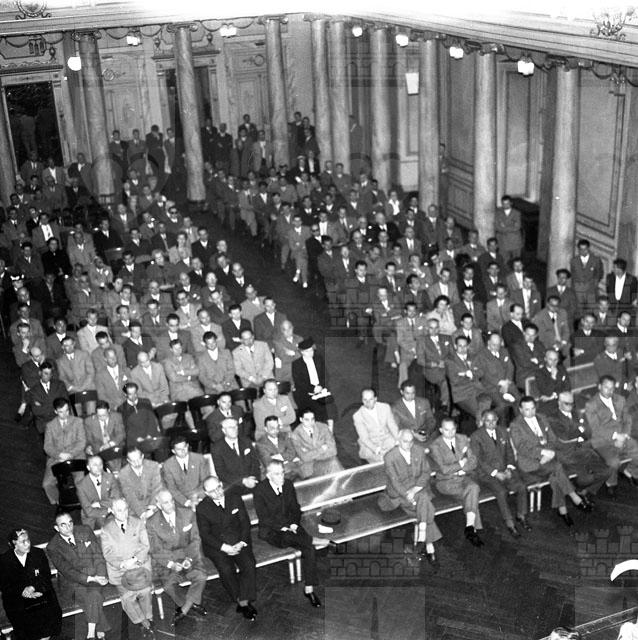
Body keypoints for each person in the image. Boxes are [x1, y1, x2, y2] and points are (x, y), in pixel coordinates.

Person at [510, 396, 590, 526]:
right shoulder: (515, 425)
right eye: (527, 409)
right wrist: (542, 453)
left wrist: (549, 453)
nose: (530, 412)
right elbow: (521, 447)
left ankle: (563, 511)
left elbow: (552, 439)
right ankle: (574, 497)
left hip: (548, 460)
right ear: (520, 410)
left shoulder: (542, 418)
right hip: (530, 464)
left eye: (532, 408)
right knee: (557, 467)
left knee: (555, 477)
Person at [253, 460, 322, 606]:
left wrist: (294, 523)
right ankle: (321, 541)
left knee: (309, 548)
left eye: (282, 473)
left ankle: (309, 588)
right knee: (291, 537)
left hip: (292, 526)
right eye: (277, 474)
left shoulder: (288, 484)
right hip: (273, 531)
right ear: (268, 475)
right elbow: (265, 518)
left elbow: (295, 508)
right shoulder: (260, 490)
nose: (281, 477)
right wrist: (285, 527)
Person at [196, 475, 258, 621]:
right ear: (206, 493)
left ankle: (243, 600)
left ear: (221, 485)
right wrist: (225, 548)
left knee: (249, 564)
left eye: (218, 488)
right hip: (217, 545)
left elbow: (245, 522)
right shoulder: (202, 508)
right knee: (226, 569)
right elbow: (205, 534)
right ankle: (241, 601)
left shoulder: (234, 498)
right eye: (212, 491)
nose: (217, 493)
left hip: (238, 540)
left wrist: (242, 542)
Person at [378, 429, 442, 563]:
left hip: (417, 488)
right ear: (398, 441)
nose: (408, 445)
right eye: (405, 441)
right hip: (400, 494)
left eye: (411, 441)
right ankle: (427, 544)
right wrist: (408, 494)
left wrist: (415, 489)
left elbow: (426, 472)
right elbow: (394, 481)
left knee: (421, 500)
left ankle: (422, 540)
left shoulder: (419, 450)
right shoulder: (390, 457)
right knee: (424, 504)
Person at [146, 490, 208, 626]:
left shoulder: (188, 514)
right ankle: (191, 604)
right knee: (168, 585)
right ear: (159, 505)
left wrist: (189, 559)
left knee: (201, 576)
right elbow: (156, 550)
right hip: (167, 561)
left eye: (172, 501)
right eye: (166, 503)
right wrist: (172, 564)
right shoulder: (151, 523)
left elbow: (195, 540)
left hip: (188, 557)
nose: (171, 505)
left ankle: (184, 610)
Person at [46, 510, 110, 639]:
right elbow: (67, 571)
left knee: (92, 595)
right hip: (73, 582)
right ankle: (98, 628)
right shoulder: (53, 547)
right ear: (56, 528)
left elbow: (98, 556)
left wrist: (101, 575)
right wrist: (91, 579)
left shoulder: (85, 530)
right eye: (63, 525)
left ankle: (90, 634)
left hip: (95, 575)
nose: (68, 527)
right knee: (93, 596)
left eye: (70, 522)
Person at [100, 498, 155, 637]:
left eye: (125, 509)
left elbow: (145, 545)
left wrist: (134, 560)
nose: (123, 513)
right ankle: (142, 622)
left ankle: (148, 617)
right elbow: (108, 554)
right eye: (119, 510)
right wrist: (123, 564)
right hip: (120, 571)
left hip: (138, 566)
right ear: (112, 511)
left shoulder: (137, 523)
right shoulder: (106, 530)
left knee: (145, 591)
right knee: (128, 597)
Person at [470, 410, 529, 537]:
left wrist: (509, 468)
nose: (491, 423)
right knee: (502, 492)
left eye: (493, 420)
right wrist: (495, 473)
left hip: (505, 470)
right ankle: (509, 523)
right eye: (487, 421)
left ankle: (521, 515)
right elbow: (478, 460)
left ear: (497, 419)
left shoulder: (503, 431)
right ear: (482, 421)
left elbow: (509, 451)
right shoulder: (476, 436)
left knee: (521, 487)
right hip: (487, 474)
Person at [429, 418, 484, 547]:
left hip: (463, 478)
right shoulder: (435, 446)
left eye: (453, 429)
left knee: (473, 487)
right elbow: (444, 469)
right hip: (446, 482)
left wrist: (461, 470)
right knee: (471, 494)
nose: (450, 433)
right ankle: (472, 530)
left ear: (456, 428)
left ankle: (470, 527)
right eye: (446, 430)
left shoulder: (463, 439)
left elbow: (473, 461)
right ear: (441, 430)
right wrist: (461, 463)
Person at [0, 527, 62, 640]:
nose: (27, 544)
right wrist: (22, 591)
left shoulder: (38, 553)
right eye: (22, 542)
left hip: (39, 593)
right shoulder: (4, 560)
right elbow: (4, 585)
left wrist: (33, 587)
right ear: (14, 544)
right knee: (24, 619)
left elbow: (45, 576)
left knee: (47, 614)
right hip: (18, 598)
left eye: (28, 540)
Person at [547, 391, 611, 502]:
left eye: (572, 404)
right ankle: (580, 488)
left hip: (582, 450)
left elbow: (585, 432)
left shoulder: (575, 413)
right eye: (567, 404)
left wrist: (585, 434)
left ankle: (585, 491)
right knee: (586, 478)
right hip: (567, 455)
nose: (570, 406)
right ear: (559, 403)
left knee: (607, 471)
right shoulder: (553, 418)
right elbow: (566, 438)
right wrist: (581, 432)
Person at [585, 375, 638, 498]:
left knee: (637, 450)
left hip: (622, 435)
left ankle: (631, 471)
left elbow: (627, 419)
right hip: (602, 441)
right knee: (613, 462)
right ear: (599, 387)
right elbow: (596, 428)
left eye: (612, 388)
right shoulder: (591, 404)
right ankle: (611, 484)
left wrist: (624, 435)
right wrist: (615, 436)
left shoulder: (620, 399)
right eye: (606, 388)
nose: (609, 391)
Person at [42, 397, 86, 505]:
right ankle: (59, 502)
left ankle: (82, 501)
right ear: (55, 411)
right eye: (61, 412)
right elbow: (47, 446)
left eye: (67, 410)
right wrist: (59, 455)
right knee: (47, 484)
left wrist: (70, 454)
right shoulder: (50, 426)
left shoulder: (78, 422)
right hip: (57, 458)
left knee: (80, 480)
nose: (65, 414)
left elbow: (82, 442)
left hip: (76, 456)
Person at [291, 337, 336, 427]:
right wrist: (313, 389)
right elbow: (299, 382)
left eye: (311, 350)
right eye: (307, 351)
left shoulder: (318, 359)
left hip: (321, 389)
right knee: (315, 410)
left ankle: (330, 430)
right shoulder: (297, 364)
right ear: (302, 352)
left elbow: (325, 375)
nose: (311, 353)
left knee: (330, 408)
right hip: (307, 393)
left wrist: (321, 386)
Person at [210, 418, 260, 496]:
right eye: (230, 427)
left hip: (252, 480)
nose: (234, 429)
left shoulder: (246, 441)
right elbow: (221, 473)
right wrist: (243, 481)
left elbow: (255, 463)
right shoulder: (217, 448)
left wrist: (253, 478)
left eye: (235, 426)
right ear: (224, 430)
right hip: (232, 485)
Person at [290, 409, 343, 478]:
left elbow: (333, 451)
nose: (310, 422)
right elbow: (304, 457)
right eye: (307, 420)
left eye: (312, 419)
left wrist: (311, 454)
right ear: (301, 419)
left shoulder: (323, 427)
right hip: (310, 467)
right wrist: (322, 449)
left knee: (333, 463)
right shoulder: (295, 435)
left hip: (328, 459)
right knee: (334, 464)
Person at [353, 388, 400, 463]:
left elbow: (392, 426)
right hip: (370, 444)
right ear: (362, 400)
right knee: (380, 460)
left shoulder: (385, 407)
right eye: (365, 400)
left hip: (386, 439)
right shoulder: (357, 416)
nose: (368, 402)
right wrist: (377, 449)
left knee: (400, 451)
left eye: (370, 399)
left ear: (375, 399)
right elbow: (364, 438)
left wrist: (398, 439)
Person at [161, 436, 209, 510]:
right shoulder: (168, 465)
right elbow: (172, 489)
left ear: (188, 446)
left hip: (201, 497)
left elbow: (205, 481)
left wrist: (197, 498)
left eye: (184, 447)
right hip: (181, 501)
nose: (183, 451)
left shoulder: (199, 459)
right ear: (173, 451)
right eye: (179, 449)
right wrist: (187, 502)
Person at [76, 455, 122, 529]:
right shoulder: (81, 485)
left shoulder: (110, 477)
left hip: (111, 514)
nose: (99, 467)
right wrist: (107, 510)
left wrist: (99, 504)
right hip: (92, 517)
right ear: (88, 467)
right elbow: (88, 511)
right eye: (95, 465)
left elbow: (116, 499)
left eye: (100, 464)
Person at [117, 447, 163, 520]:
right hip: (136, 509)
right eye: (133, 461)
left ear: (142, 456)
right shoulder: (123, 474)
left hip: (154, 505)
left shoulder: (154, 466)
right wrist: (142, 513)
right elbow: (130, 496)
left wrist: (151, 508)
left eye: (138, 459)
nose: (137, 463)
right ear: (128, 460)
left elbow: (157, 488)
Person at [255, 415, 303, 480]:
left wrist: (278, 456)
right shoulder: (260, 444)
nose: (276, 430)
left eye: (277, 427)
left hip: (292, 471)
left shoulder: (285, 436)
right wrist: (286, 459)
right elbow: (268, 463)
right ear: (266, 429)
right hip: (274, 475)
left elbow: (292, 453)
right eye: (272, 428)